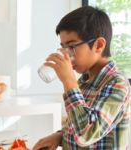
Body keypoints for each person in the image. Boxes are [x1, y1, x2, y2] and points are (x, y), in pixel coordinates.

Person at [32, 6, 130, 150]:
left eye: (72, 47)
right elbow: (77, 120)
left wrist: (68, 81)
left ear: (99, 45)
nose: (67, 54)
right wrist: (60, 135)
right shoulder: (83, 82)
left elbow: (87, 134)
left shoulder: (117, 84)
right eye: (63, 48)